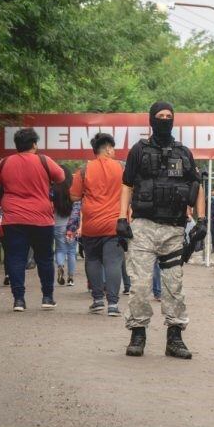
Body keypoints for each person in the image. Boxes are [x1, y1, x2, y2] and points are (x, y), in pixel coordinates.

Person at [117, 101, 207, 358]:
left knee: (173, 286)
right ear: (151, 119)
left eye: (169, 116)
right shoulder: (138, 150)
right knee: (141, 285)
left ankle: (175, 338)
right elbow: (127, 185)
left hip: (174, 229)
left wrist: (201, 221)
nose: (165, 119)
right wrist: (121, 218)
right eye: (160, 116)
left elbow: (196, 185)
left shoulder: (184, 153)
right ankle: (137, 333)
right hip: (143, 227)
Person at [0, 127, 65, 311]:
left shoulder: (5, 162)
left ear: (17, 145)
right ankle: (47, 297)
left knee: (15, 258)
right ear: (34, 144)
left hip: (13, 218)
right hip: (41, 218)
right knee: (44, 258)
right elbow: (60, 177)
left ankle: (19, 300)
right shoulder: (44, 160)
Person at [69, 133, 125, 316]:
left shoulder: (84, 170)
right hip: (114, 224)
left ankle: (98, 300)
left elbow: (74, 196)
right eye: (113, 148)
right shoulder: (121, 169)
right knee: (113, 263)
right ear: (108, 148)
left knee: (92, 260)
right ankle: (114, 305)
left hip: (91, 224)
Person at [53, 165, 80, 286]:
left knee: (60, 249)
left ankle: (60, 265)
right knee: (71, 251)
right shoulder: (73, 189)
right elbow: (78, 208)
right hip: (72, 225)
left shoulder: (53, 190)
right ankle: (70, 278)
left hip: (57, 224)